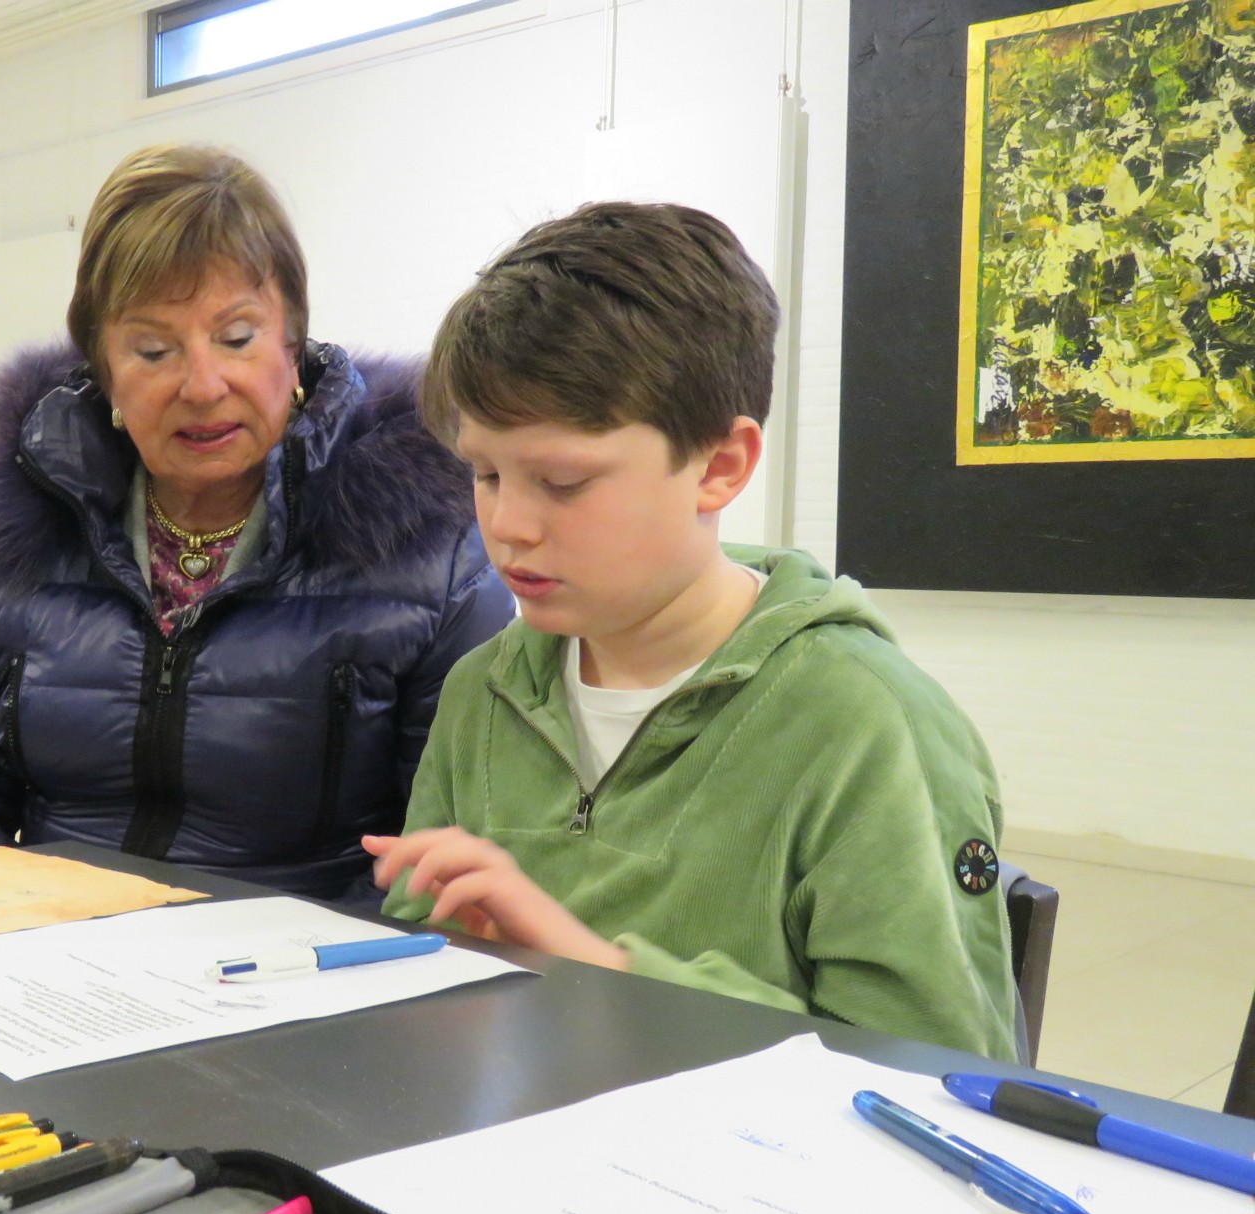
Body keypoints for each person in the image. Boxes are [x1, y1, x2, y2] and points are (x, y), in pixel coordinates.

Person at [367, 202, 1018, 1060]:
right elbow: (427, 951)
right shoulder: (482, 690)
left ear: (719, 466)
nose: (509, 525)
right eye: (485, 473)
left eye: (562, 482)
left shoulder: (865, 723)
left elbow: (929, 1066)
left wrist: (599, 972)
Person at [0, 145, 514, 903]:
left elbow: (458, 842)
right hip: (55, 967)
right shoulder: (31, 520)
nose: (203, 385)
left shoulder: (423, 541)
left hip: (301, 976)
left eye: (238, 338)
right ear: (103, 369)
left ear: (293, 341)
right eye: (153, 350)